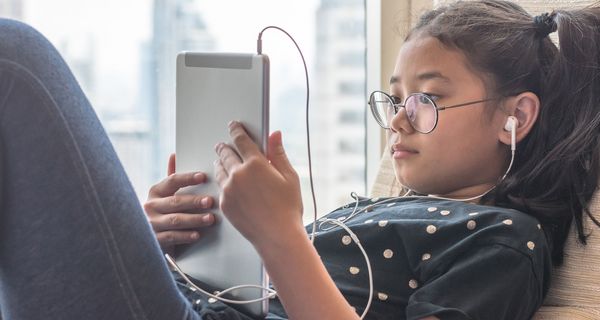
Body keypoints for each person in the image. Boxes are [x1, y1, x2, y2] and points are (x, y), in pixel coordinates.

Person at [0, 0, 599, 319]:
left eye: (427, 98)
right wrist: (185, 244)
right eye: (394, 97)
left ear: (514, 117)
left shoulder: (504, 242)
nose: (398, 117)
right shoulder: (384, 208)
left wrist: (280, 235)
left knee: (16, 60)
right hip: (189, 301)